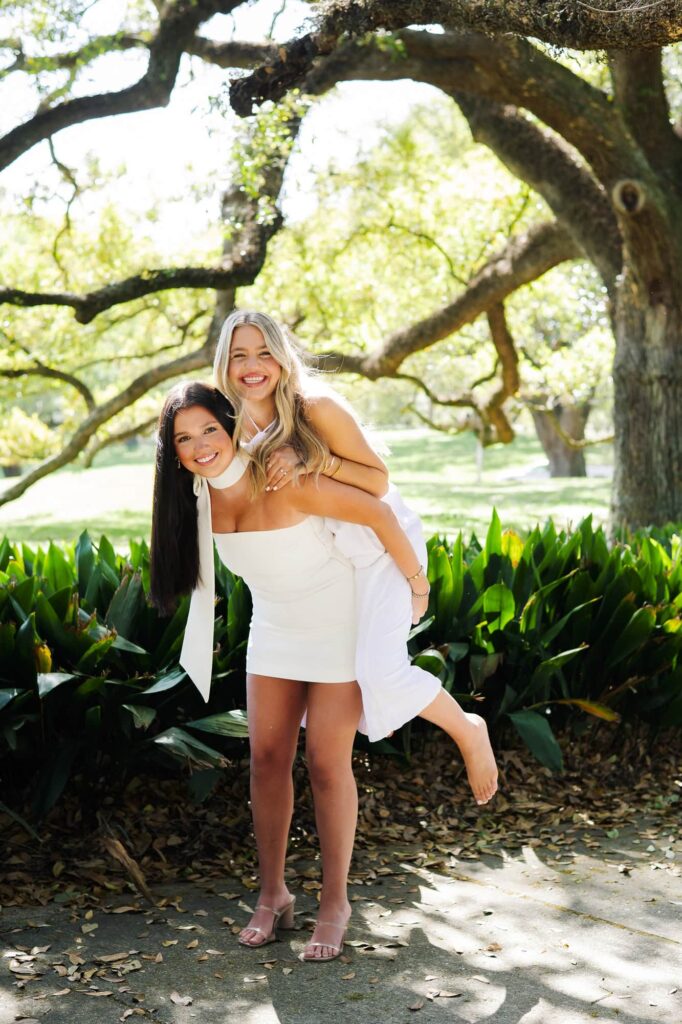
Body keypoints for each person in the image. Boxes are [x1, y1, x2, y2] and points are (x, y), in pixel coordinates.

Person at [150, 380, 432, 962]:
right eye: (184, 438)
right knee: (267, 762)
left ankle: (335, 903)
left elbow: (377, 511)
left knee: (328, 766)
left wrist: (415, 586)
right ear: (172, 453)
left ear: (231, 427)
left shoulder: (279, 475)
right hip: (275, 632)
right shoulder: (198, 501)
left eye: (209, 429)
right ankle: (273, 894)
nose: (201, 445)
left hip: (338, 624)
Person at [213, 310, 498, 806]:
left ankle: (469, 727)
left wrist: (416, 583)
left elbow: (378, 483)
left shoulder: (315, 408)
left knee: (382, 670)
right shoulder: (232, 427)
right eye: (239, 355)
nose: (252, 366)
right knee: (360, 674)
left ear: (282, 358)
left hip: (385, 550)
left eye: (264, 353)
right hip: (340, 562)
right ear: (224, 363)